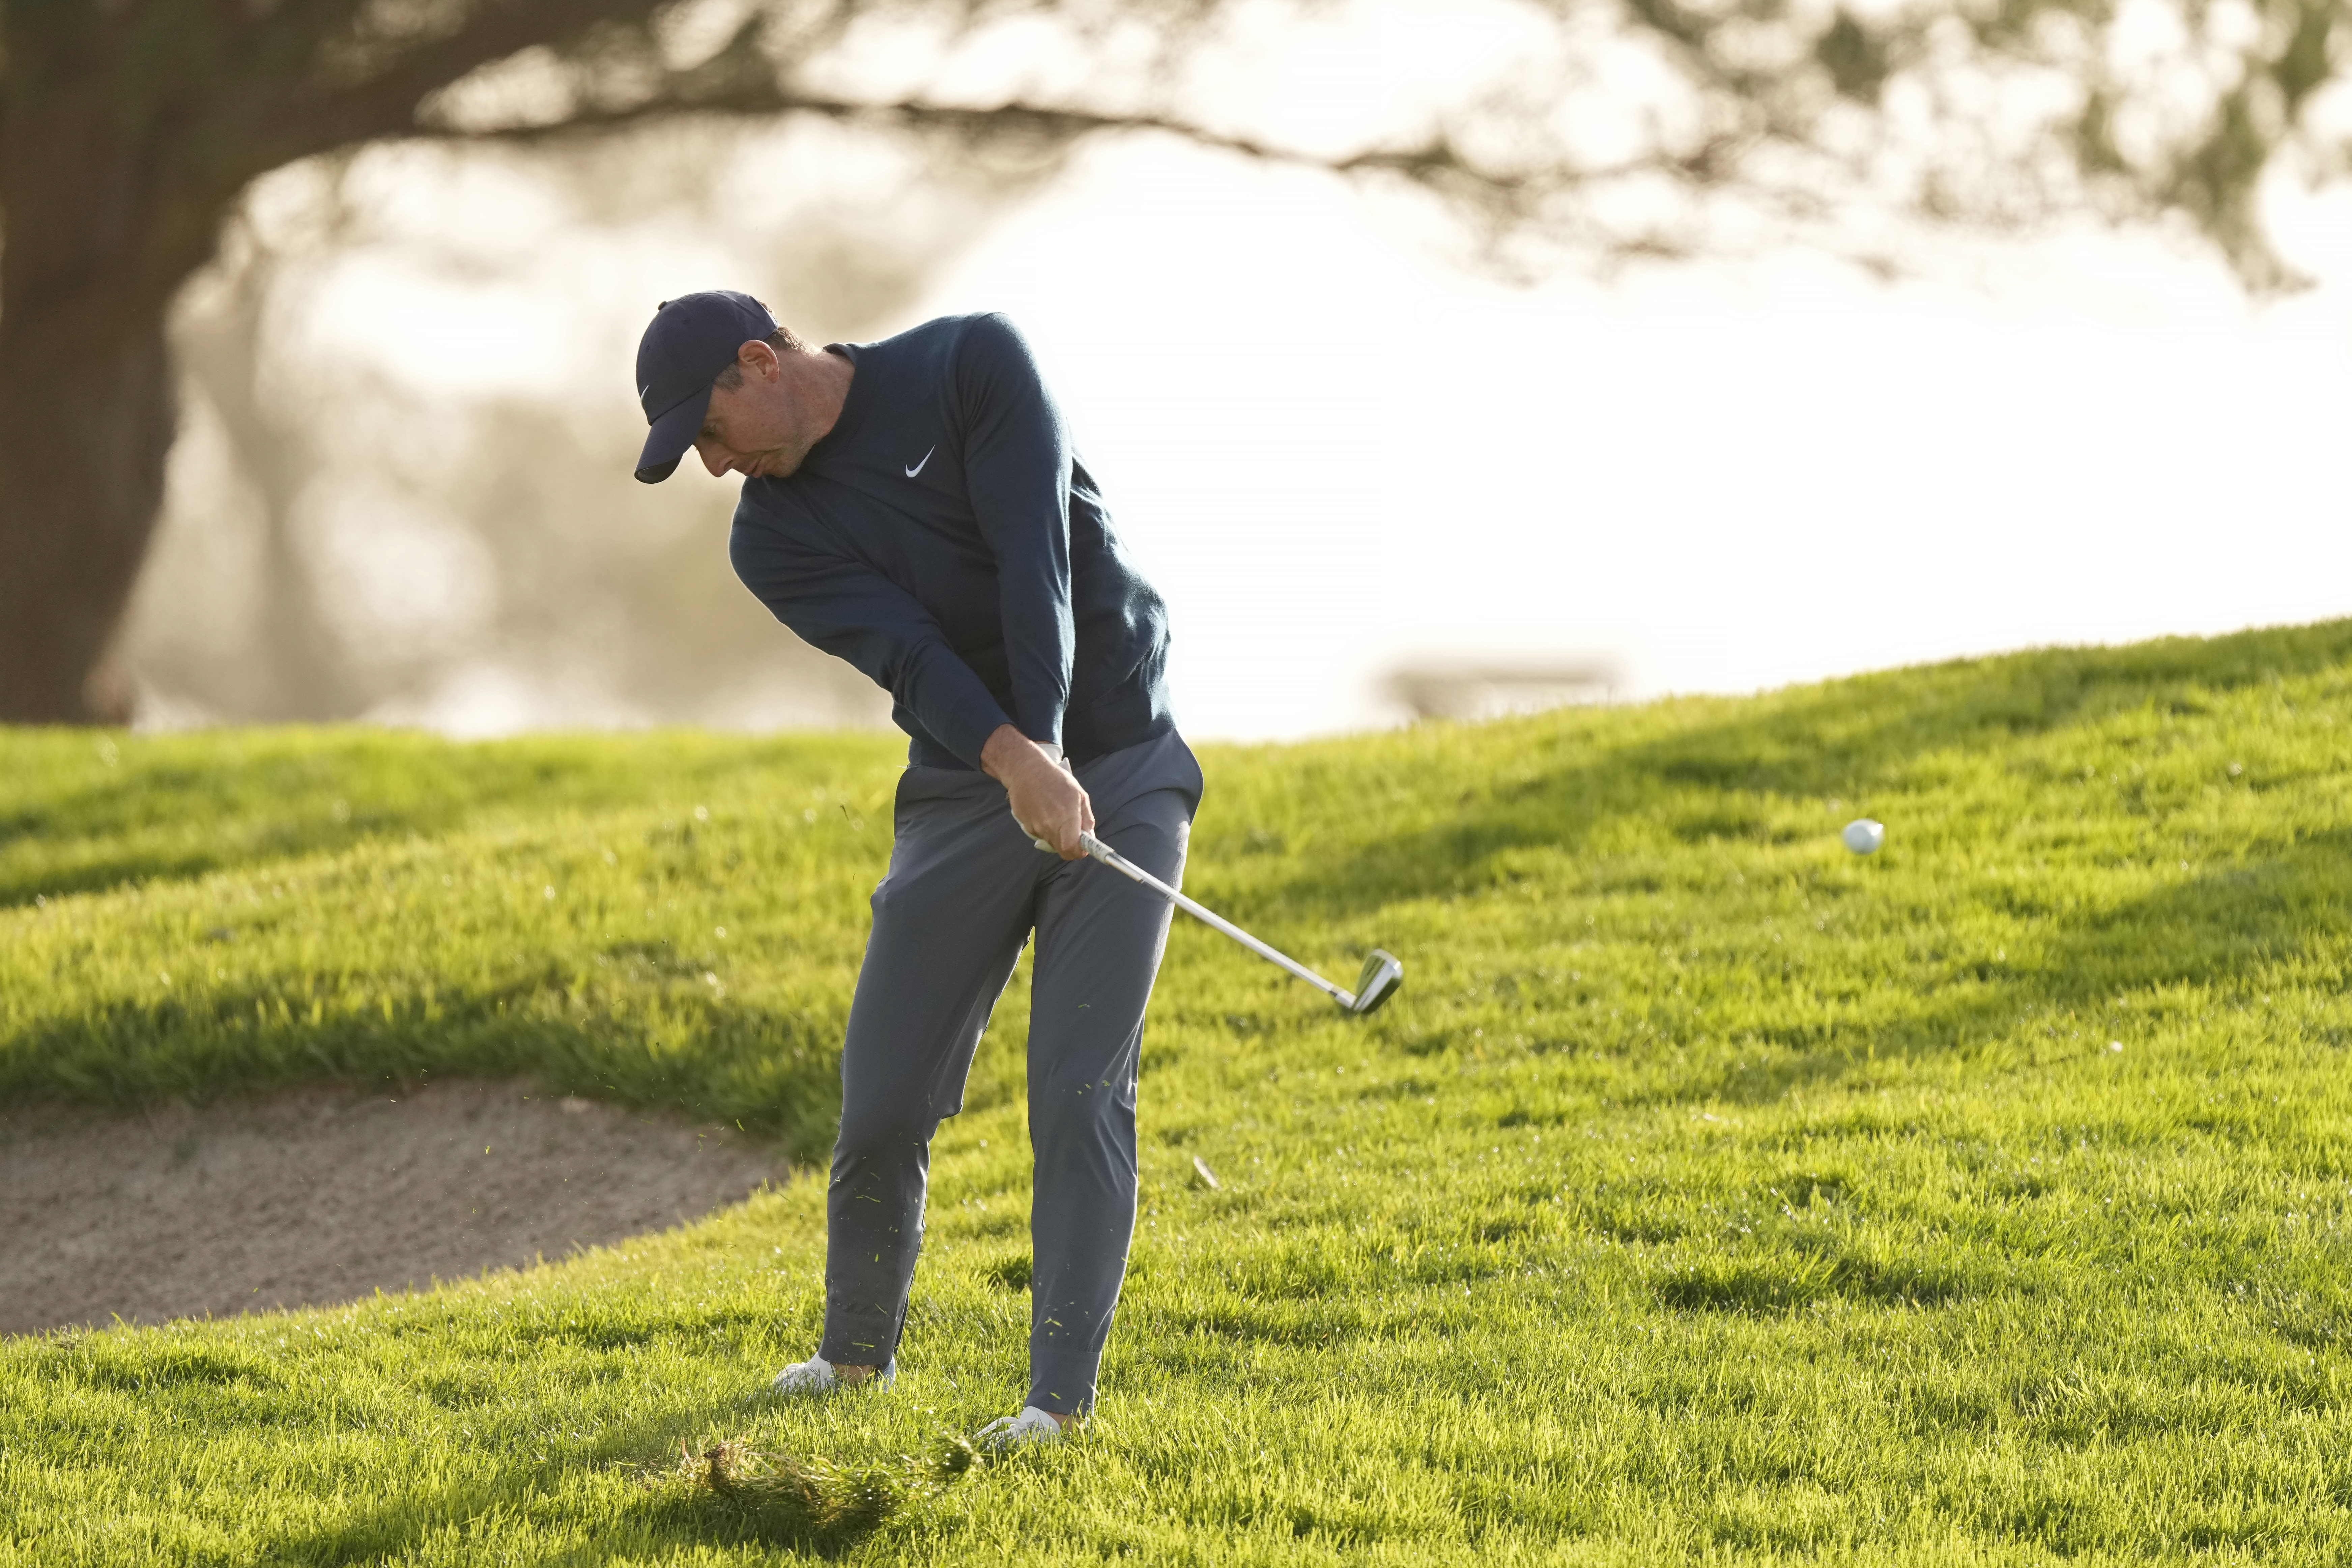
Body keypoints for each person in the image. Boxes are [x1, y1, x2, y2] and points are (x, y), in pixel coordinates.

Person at [630, 291, 1199, 1447]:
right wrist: (1012, 764)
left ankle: (1056, 1407)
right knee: (884, 1096)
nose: (711, 463)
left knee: (1080, 1089)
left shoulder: (971, 365)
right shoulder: (769, 537)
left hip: (1124, 764)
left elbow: (1034, 557)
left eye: (708, 430)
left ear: (762, 362)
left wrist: (1046, 749)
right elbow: (912, 656)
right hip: (962, 788)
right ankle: (853, 1360)